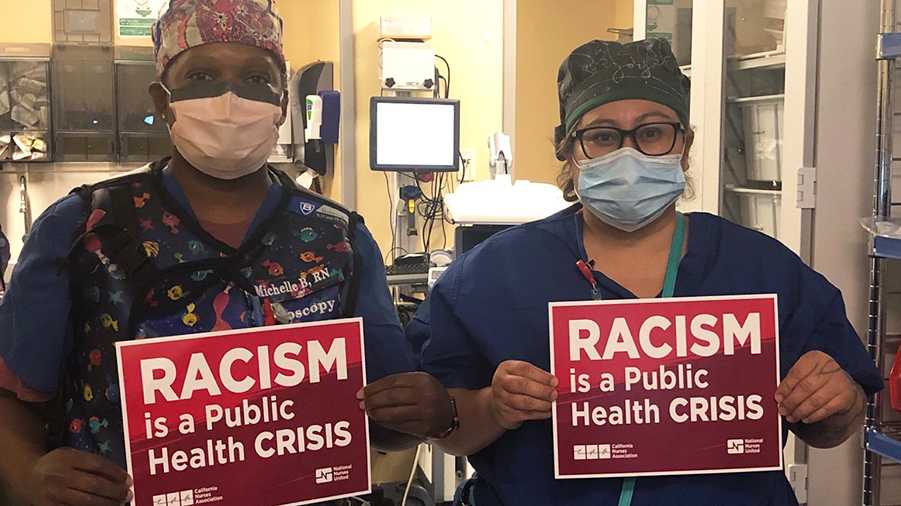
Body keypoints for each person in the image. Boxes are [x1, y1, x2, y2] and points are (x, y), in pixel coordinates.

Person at [0, 1, 454, 505]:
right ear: (162, 97)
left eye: (257, 79)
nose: (231, 97)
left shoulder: (336, 238)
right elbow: (12, 399)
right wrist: (31, 476)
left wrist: (425, 415)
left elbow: (383, 419)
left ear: (283, 104)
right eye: (201, 74)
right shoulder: (84, 230)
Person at [404, 39, 884, 506]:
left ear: (685, 145)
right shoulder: (490, 276)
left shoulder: (762, 270)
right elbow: (446, 427)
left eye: (652, 132)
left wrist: (834, 401)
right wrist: (493, 406)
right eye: (603, 136)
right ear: (569, 151)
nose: (628, 154)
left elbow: (833, 426)